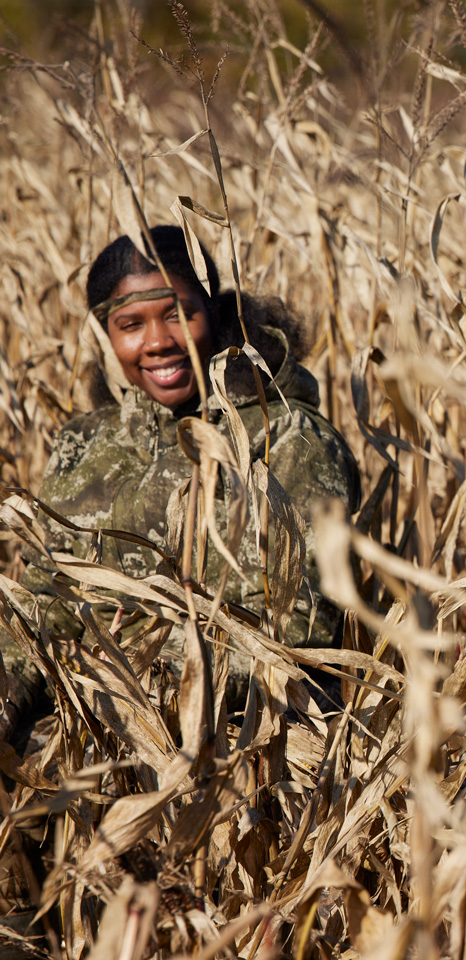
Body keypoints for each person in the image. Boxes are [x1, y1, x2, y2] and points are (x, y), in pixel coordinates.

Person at [6, 226, 360, 741]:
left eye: (178, 314)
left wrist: (144, 686)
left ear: (213, 315)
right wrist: (13, 676)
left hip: (243, 740)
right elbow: (46, 596)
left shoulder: (285, 436)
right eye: (131, 324)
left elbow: (305, 626)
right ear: (107, 336)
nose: (157, 342)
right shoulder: (81, 444)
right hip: (85, 726)